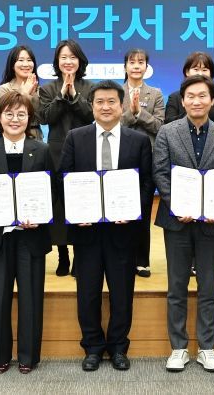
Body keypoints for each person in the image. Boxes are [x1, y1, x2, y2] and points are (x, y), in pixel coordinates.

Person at [60, 80, 154, 372]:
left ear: (121, 105)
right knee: (87, 293)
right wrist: (75, 212)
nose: (105, 107)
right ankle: (92, 347)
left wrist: (133, 212)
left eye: (111, 101)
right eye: (99, 101)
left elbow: (147, 183)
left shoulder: (138, 140)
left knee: (122, 293)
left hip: (123, 231)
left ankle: (118, 347)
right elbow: (64, 179)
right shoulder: (76, 137)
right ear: (91, 106)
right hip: (86, 230)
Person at [153, 75, 214, 373]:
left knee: (208, 287)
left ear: (212, 101)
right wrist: (178, 205)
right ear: (183, 100)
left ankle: (206, 347)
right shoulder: (167, 132)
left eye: (203, 96)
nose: (197, 101)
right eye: (191, 96)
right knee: (176, 286)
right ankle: (178, 348)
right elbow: (160, 173)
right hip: (177, 221)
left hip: (212, 224)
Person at [0, 91, 53, 374]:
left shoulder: (42, 150)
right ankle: (0, 355)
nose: (15, 119)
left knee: (31, 300)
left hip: (31, 236)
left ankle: (29, 356)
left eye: (21, 114)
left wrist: (41, 215)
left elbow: (52, 191)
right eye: (9, 114)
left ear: (29, 118)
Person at [39, 39, 94, 276]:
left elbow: (91, 115)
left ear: (80, 61)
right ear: (57, 62)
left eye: (72, 57)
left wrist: (74, 95)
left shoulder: (90, 88)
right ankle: (63, 255)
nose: (68, 61)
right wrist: (62, 95)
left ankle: (81, 256)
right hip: (56, 151)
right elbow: (45, 117)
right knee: (59, 205)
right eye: (64, 57)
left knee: (81, 202)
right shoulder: (48, 89)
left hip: (84, 150)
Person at [120, 48, 164, 278]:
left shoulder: (155, 93)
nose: (136, 66)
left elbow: (160, 126)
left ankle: (142, 260)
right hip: (120, 159)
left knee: (144, 210)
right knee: (121, 210)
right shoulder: (116, 92)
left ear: (147, 67)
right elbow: (112, 122)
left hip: (147, 159)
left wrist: (140, 114)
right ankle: (123, 258)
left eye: (141, 62)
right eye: (132, 62)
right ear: (125, 66)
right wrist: (132, 113)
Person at [164, 52, 214, 129]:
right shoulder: (174, 97)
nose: (200, 74)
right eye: (196, 69)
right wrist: (192, 111)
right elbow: (168, 124)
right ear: (187, 72)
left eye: (204, 70)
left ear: (211, 73)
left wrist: (207, 108)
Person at [0, 44, 43, 140]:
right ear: (12, 65)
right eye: (21, 60)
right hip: (11, 137)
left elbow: (42, 118)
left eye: (29, 60)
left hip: (35, 137)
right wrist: (24, 94)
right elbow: (6, 115)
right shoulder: (4, 89)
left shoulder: (40, 90)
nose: (25, 64)